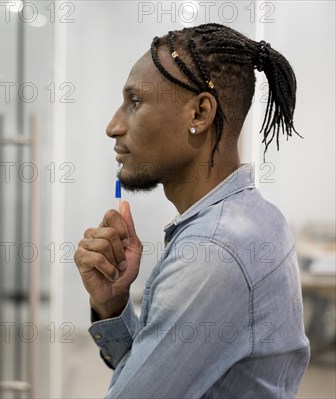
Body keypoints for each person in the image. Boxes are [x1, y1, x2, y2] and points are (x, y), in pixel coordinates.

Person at [73, 23, 310, 398]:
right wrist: (111, 302)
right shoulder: (253, 215)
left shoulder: (215, 251)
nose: (113, 126)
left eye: (135, 103)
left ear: (200, 113)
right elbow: (153, 371)